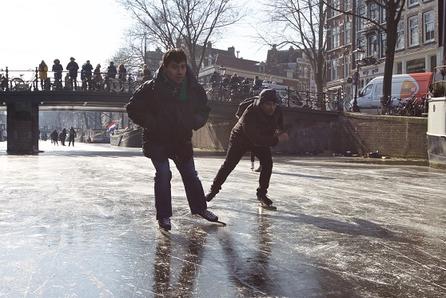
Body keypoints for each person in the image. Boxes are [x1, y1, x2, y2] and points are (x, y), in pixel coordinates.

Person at [126, 48, 219, 231]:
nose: (180, 71)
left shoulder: (193, 89)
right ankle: (164, 216)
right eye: (175, 67)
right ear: (165, 67)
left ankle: (200, 208)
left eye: (183, 67)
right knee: (163, 174)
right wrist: (151, 122)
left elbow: (204, 109)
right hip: (158, 139)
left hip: (181, 139)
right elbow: (132, 108)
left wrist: (194, 122)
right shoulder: (151, 88)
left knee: (191, 175)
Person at [205, 89, 289, 208]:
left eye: (274, 104)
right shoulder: (250, 112)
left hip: (260, 137)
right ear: (261, 103)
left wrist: (281, 131)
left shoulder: (277, 111)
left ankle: (262, 194)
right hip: (241, 139)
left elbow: (279, 125)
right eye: (268, 104)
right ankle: (213, 191)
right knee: (229, 165)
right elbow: (256, 139)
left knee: (267, 163)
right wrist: (277, 139)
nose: (272, 108)